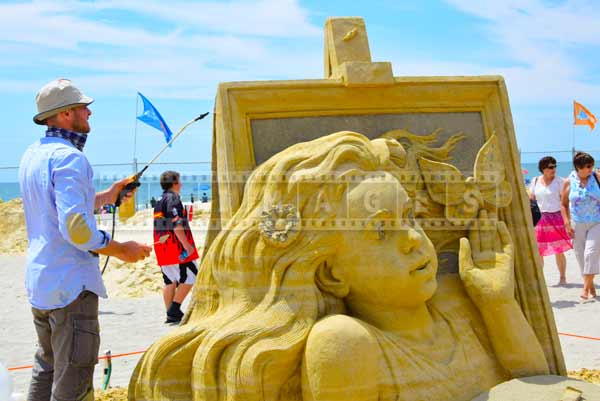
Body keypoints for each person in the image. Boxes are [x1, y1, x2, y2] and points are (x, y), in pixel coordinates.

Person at [130, 132, 549, 401]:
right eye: (381, 231)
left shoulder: (459, 301)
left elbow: (540, 384)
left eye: (409, 218)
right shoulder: (346, 344)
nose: (411, 239)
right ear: (332, 274)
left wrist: (498, 304)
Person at [19, 78, 152, 401]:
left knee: (46, 368)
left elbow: (57, 207)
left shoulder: (33, 154)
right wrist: (121, 250)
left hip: (42, 281)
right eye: (83, 107)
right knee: (74, 380)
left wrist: (108, 195)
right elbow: (77, 229)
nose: (89, 113)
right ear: (65, 114)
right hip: (71, 286)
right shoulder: (70, 159)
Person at [153, 171, 199, 323]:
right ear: (174, 183)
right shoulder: (173, 198)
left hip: (162, 246)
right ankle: (174, 308)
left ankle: (170, 314)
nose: (181, 184)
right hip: (176, 248)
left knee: (169, 280)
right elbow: (176, 223)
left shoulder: (160, 200)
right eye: (179, 181)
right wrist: (187, 246)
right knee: (193, 275)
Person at [561, 151, 600, 301]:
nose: (591, 169)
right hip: (577, 223)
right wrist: (566, 222)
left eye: (592, 165)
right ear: (579, 167)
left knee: (590, 253)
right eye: (588, 166)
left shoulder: (596, 178)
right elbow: (563, 204)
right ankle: (590, 286)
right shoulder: (568, 182)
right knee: (580, 257)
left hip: (597, 222)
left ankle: (585, 289)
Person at [529, 156, 572, 284]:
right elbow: (531, 199)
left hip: (557, 218)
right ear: (543, 169)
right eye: (550, 167)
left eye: (555, 166)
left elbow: (565, 202)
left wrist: (567, 221)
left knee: (559, 250)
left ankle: (562, 277)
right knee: (539, 250)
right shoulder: (535, 180)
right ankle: (540, 278)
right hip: (540, 219)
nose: (554, 169)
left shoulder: (561, 182)